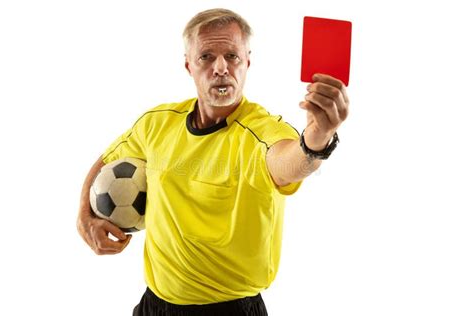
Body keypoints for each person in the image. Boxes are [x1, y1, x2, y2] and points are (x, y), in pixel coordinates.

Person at [77, 8, 349, 316]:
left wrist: (317, 140)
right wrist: (84, 217)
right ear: (188, 66)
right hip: (154, 304)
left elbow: (289, 162)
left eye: (232, 56)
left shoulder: (260, 131)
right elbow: (106, 160)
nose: (221, 67)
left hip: (230, 309)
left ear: (247, 62)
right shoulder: (157, 124)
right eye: (206, 56)